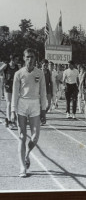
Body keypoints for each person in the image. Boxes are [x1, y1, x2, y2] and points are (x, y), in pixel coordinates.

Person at [11, 48, 47, 177]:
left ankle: (26, 154)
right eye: (27, 57)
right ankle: (22, 167)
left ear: (35, 58)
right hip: (22, 103)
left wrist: (44, 110)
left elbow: (43, 92)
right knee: (21, 136)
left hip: (35, 104)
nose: (30, 59)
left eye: (32, 57)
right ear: (23, 58)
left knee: (35, 136)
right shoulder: (19, 74)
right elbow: (15, 93)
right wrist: (12, 111)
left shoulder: (40, 73)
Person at [0, 54, 19, 128]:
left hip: (15, 87)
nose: (17, 61)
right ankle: (8, 120)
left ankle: (13, 118)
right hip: (7, 86)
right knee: (9, 103)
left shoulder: (17, 67)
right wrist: (3, 78)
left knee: (14, 103)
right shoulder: (6, 66)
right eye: (16, 59)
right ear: (12, 59)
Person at [41, 59, 53, 125]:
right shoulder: (39, 72)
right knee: (41, 105)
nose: (45, 67)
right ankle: (42, 117)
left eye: (46, 65)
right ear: (41, 65)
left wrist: (52, 91)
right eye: (44, 65)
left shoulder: (49, 72)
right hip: (40, 89)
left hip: (47, 88)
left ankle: (43, 114)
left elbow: (51, 82)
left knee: (48, 105)